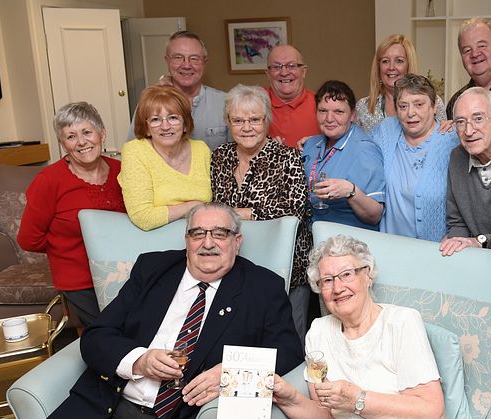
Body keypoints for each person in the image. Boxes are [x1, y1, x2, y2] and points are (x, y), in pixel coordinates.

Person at [50, 203, 304, 419]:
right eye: (197, 234)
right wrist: (139, 361)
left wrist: (231, 375)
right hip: (105, 404)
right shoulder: (152, 268)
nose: (208, 243)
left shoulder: (262, 287)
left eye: (220, 233)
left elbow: (288, 352)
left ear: (237, 241)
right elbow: (97, 335)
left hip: (183, 412)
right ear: (187, 240)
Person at [273, 235, 445, 419]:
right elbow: (325, 414)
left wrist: (357, 400)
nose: (338, 288)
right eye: (328, 280)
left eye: (346, 274)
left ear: (368, 275)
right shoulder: (318, 331)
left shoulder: (401, 322)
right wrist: (290, 399)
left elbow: (433, 410)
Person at [211, 83, 312, 345]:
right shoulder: (219, 157)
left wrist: (243, 213)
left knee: (287, 343)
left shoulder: (287, 157)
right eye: (238, 120)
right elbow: (212, 206)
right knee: (243, 341)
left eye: (254, 120)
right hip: (234, 267)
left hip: (285, 268)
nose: (247, 127)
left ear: (267, 121)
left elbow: (295, 208)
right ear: (228, 122)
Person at [17, 102, 126, 328]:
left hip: (126, 272)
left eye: (87, 132)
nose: (81, 142)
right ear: (63, 143)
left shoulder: (123, 171)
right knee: (110, 334)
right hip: (79, 280)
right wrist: (66, 249)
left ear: (102, 133)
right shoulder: (49, 181)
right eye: (71, 136)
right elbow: (28, 239)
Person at [371, 73, 459, 241]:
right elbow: (357, 145)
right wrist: (318, 140)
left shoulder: (452, 138)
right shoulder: (386, 131)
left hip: (437, 251)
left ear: (434, 107)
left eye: (419, 104)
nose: (410, 113)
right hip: (390, 248)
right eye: (403, 106)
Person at [439, 87, 491, 256]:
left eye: (478, 119)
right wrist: (456, 246)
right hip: (476, 259)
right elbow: (457, 223)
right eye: (461, 122)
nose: (468, 131)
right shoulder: (457, 157)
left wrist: (480, 242)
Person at [119, 85, 212, 231]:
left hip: (203, 238)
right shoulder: (135, 151)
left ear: (185, 124)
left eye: (173, 118)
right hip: (158, 244)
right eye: (156, 120)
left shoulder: (201, 150)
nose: (165, 126)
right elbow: (143, 217)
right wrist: (194, 205)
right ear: (147, 127)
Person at [302, 80, 385, 231]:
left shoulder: (365, 151)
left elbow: (375, 215)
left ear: (353, 115)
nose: (329, 118)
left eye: (338, 112)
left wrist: (351, 191)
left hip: (348, 244)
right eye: (322, 111)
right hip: (312, 237)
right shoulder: (310, 145)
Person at [127, 31, 229, 150]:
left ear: (205, 62)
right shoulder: (149, 103)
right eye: (178, 57)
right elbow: (133, 148)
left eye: (194, 58)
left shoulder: (225, 103)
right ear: (167, 61)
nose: (186, 65)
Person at [355, 34, 447, 133]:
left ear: (409, 65)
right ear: (378, 67)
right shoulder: (364, 107)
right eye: (385, 61)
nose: (391, 67)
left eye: (399, 61)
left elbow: (443, 139)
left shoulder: (432, 102)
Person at [265, 45, 319, 147]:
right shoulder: (254, 102)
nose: (284, 73)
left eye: (291, 65)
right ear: (268, 74)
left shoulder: (321, 104)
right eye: (276, 67)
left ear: (303, 71)